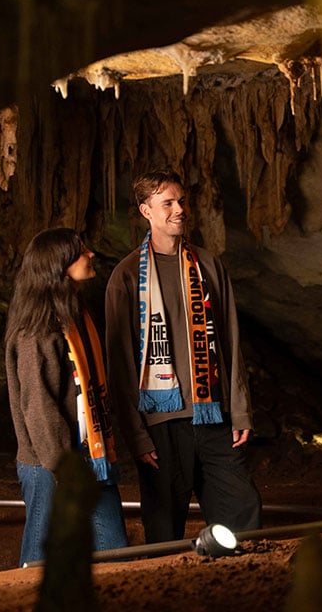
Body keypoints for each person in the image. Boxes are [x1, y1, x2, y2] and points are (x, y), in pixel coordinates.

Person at [105, 169, 262, 543]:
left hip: (213, 415)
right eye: (168, 203)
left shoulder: (208, 266)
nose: (179, 210)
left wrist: (239, 410)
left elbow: (231, 342)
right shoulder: (125, 277)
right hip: (161, 426)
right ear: (147, 211)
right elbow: (121, 366)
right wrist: (136, 436)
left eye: (181, 201)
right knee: (164, 529)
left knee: (242, 511)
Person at [5, 227, 128, 567]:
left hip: (91, 454)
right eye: (81, 251)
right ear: (59, 265)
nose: (90, 255)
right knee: (41, 560)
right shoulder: (38, 328)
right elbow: (38, 406)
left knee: (113, 550)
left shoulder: (74, 313)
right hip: (50, 464)